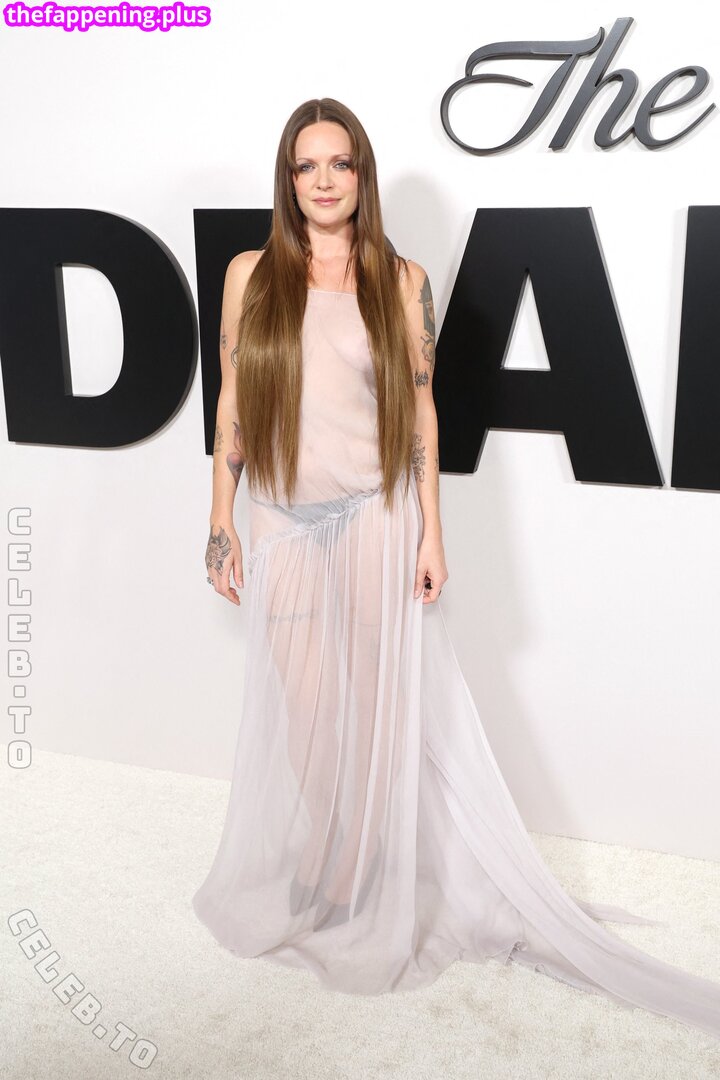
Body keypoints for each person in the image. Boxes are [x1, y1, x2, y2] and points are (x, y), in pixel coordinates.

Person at [193, 98, 720, 1038]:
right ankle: (332, 856)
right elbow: (233, 397)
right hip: (280, 521)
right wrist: (221, 518)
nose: (324, 180)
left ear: (362, 175)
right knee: (310, 712)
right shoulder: (249, 275)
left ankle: (350, 875)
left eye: (341, 163)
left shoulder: (401, 280)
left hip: (374, 516)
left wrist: (432, 533)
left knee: (371, 707)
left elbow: (422, 407)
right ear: (288, 178)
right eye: (308, 165)